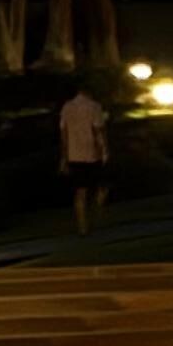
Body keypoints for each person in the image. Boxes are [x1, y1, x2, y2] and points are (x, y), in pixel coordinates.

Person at [57, 79, 111, 235]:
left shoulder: (67, 107)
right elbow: (99, 130)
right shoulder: (94, 107)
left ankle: (82, 227)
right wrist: (105, 150)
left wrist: (63, 157)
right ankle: (96, 218)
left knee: (80, 191)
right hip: (92, 153)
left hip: (74, 154)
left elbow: (63, 133)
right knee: (100, 187)